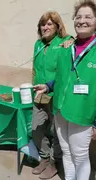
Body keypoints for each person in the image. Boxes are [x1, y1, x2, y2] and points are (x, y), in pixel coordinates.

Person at [34, 1, 96, 179]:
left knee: (79, 156)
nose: (82, 21)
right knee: (66, 152)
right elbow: (63, 78)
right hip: (61, 111)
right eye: (78, 17)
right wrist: (48, 86)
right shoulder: (66, 50)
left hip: (83, 113)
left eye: (88, 17)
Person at [31, 11, 73, 179]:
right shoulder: (38, 44)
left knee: (57, 132)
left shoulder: (66, 41)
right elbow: (34, 68)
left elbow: (70, 67)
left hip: (57, 94)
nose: (45, 27)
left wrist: (72, 42)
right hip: (39, 93)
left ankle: (55, 163)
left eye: (49, 24)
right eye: (43, 24)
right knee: (36, 129)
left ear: (57, 26)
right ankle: (44, 158)